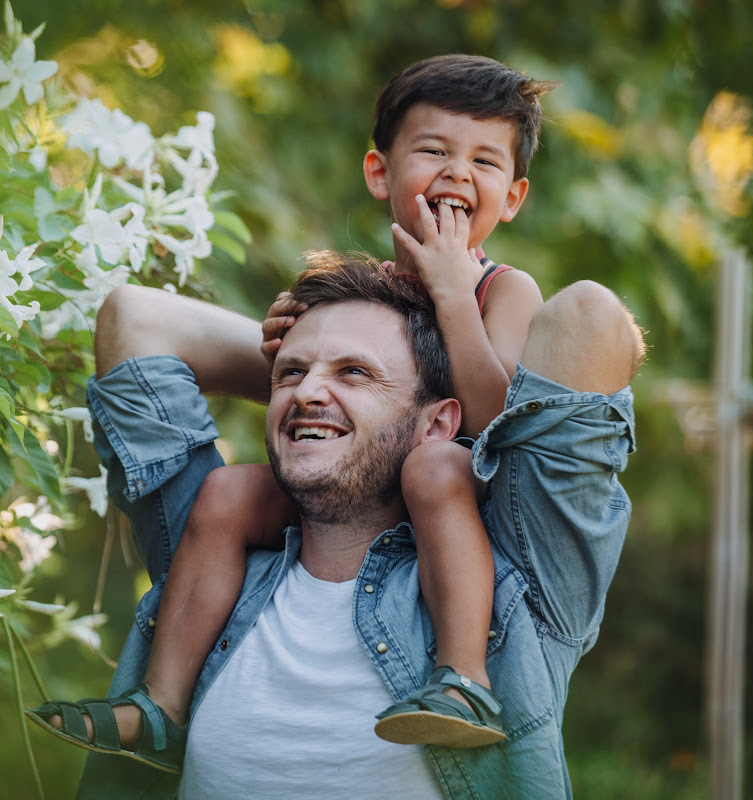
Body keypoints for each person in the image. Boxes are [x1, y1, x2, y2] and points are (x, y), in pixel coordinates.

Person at [29, 53, 559, 760]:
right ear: (381, 173)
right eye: (434, 151)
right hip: (352, 488)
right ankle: (159, 702)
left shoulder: (507, 289)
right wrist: (283, 342)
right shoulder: (362, 284)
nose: (459, 173)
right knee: (226, 493)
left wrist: (455, 296)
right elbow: (313, 398)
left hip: (446, 503)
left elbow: (496, 421)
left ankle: (463, 677)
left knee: (433, 467)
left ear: (514, 196)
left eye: (484, 161)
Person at [30, 249, 641, 799]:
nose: (305, 394)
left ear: (436, 426)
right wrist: (325, 366)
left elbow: (588, 319)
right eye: (288, 376)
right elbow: (133, 318)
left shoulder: (514, 598)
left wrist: (454, 311)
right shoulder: (211, 559)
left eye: (355, 372)